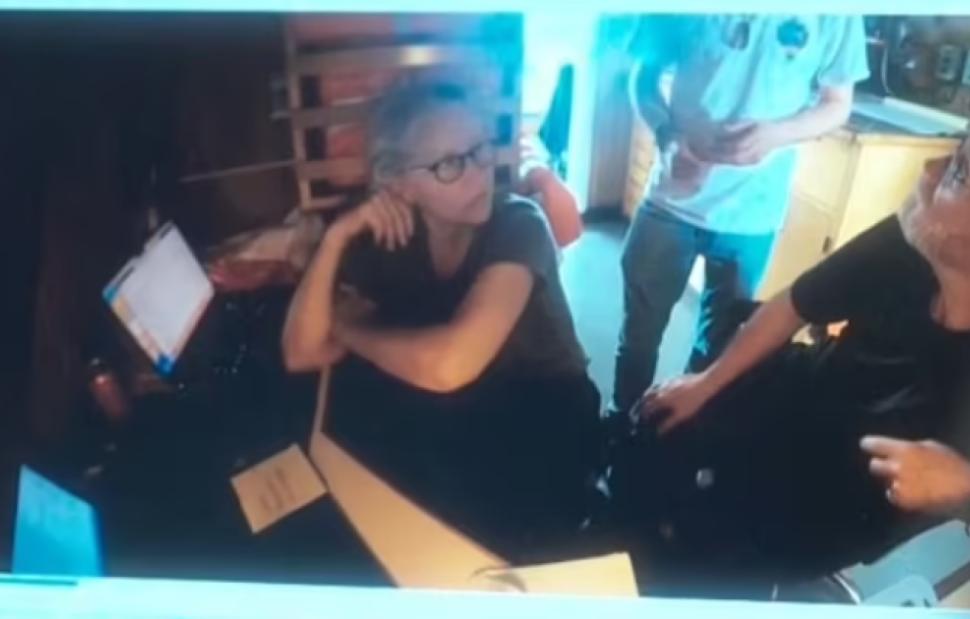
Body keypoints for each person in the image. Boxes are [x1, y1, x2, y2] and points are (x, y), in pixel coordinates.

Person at [611, 138, 970, 592]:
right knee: (661, 429)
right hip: (806, 396)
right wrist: (705, 384)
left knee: (716, 540)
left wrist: (962, 486)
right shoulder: (911, 239)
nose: (930, 169)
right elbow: (793, 305)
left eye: (959, 173)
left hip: (847, 489)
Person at [281, 81, 602, 562]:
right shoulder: (392, 232)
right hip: (468, 408)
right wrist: (336, 238)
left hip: (546, 409)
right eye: (450, 164)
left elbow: (449, 365)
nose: (480, 174)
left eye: (480, 150)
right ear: (398, 184)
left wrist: (344, 330)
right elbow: (301, 353)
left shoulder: (519, 224)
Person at [612, 15, 871, 416]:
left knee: (717, 351)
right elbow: (643, 77)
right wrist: (667, 135)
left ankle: (680, 431)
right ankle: (622, 425)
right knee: (638, 338)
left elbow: (837, 104)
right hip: (669, 202)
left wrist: (776, 134)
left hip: (754, 213)